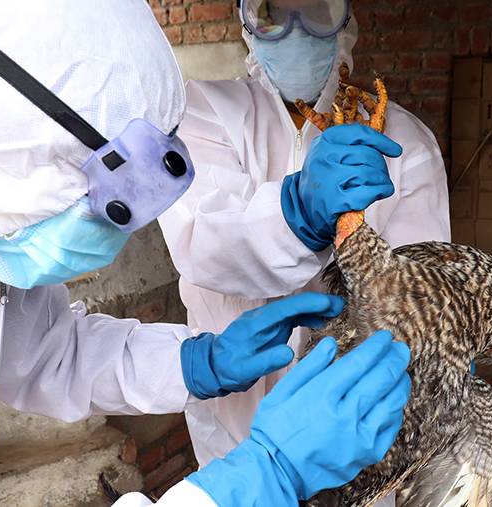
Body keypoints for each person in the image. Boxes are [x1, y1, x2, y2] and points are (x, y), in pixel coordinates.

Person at [0, 1, 411, 506]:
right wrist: (257, 481)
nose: (109, 229)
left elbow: (48, 352)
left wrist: (197, 361)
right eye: (101, 197)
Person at [158, 0, 451, 504]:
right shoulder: (204, 112)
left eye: (316, 10)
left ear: (345, 20)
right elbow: (203, 245)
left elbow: (418, 296)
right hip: (232, 421)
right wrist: (298, 213)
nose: (294, 30)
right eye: (272, 13)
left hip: (358, 431)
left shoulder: (404, 141)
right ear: (246, 21)